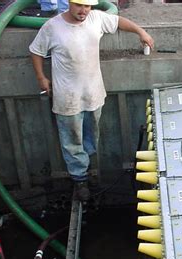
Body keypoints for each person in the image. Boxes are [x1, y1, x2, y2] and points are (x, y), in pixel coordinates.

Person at [29, 0, 154, 201]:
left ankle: (86, 170)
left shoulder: (96, 18)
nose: (83, 10)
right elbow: (36, 51)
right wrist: (41, 78)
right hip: (67, 98)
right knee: (71, 140)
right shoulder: (52, 26)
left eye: (87, 6)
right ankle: (80, 180)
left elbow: (119, 21)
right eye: (79, 5)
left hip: (93, 94)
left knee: (91, 134)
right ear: (69, 3)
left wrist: (141, 32)